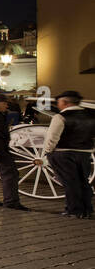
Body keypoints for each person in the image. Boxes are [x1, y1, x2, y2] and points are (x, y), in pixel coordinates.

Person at [39, 90, 94, 219]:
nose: (58, 105)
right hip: (85, 153)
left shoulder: (60, 117)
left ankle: (74, 210)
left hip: (63, 153)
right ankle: (87, 209)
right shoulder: (91, 116)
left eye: (58, 102)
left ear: (64, 102)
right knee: (84, 182)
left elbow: (52, 138)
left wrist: (47, 151)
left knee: (70, 183)